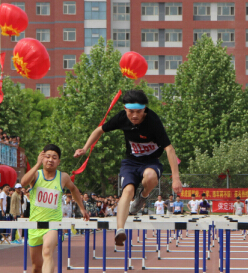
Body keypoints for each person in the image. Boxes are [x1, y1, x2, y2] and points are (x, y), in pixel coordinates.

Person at [74, 89, 182, 246]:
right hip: (131, 163)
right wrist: (85, 148)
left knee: (151, 176)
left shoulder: (153, 121)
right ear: (125, 109)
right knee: (127, 191)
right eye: (131, 112)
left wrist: (176, 178)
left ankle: (142, 198)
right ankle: (120, 230)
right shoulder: (121, 118)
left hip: (151, 161)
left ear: (145, 109)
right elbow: (99, 130)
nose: (135, 116)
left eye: (139, 112)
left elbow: (169, 149)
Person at [20, 144, 90, 273]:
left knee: (47, 252)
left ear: (58, 161)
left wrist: (82, 208)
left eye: (54, 157)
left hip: (53, 224)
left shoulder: (63, 177)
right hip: (34, 226)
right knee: (36, 267)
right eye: (47, 156)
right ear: (43, 158)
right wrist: (37, 164)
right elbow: (23, 182)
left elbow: (74, 189)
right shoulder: (36, 175)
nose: (50, 160)